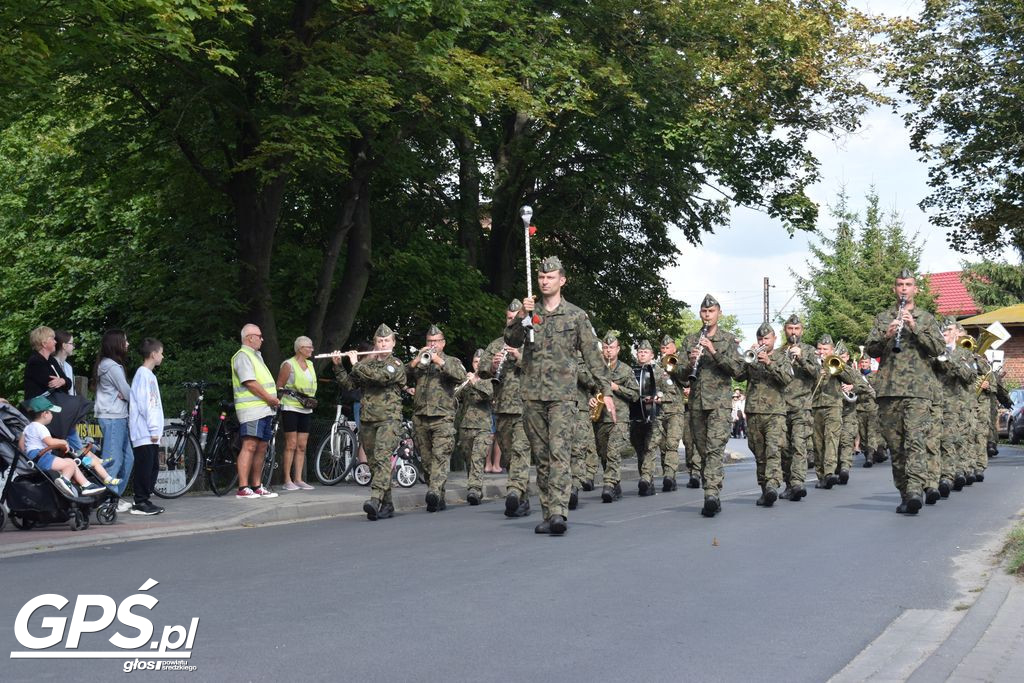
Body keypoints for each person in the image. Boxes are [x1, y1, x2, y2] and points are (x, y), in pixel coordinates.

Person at [506, 255, 613, 535]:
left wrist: (605, 389)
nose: (544, 281)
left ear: (562, 280)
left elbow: (592, 353)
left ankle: (558, 512)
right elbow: (511, 341)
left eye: (550, 277)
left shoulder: (576, 315)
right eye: (541, 277)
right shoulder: (530, 313)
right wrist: (521, 317)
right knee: (541, 457)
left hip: (563, 397)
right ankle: (546, 511)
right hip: (532, 394)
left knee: (559, 455)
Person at [865, 269, 945, 514]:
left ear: (915, 289)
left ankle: (914, 491)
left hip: (918, 391)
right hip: (889, 390)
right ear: (894, 288)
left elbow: (938, 348)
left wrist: (915, 327)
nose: (903, 289)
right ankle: (904, 492)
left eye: (908, 284)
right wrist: (887, 335)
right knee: (896, 445)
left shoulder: (926, 318)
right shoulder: (883, 317)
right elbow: (870, 350)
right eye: (900, 284)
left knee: (915, 441)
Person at [678, 294, 744, 517]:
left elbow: (738, 371)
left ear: (719, 313)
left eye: (712, 311)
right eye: (704, 312)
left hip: (719, 405)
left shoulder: (728, 339)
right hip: (696, 404)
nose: (707, 315)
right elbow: (678, 373)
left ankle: (711, 494)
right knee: (703, 451)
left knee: (715, 449)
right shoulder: (689, 340)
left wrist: (714, 353)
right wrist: (689, 361)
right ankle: (712, 487)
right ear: (700, 313)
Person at [333, 324, 407, 520]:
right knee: (374, 463)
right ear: (375, 344)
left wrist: (356, 363)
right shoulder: (367, 365)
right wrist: (338, 365)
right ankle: (388, 504)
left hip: (389, 419)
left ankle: (375, 499)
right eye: (379, 341)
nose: (383, 343)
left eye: (386, 341)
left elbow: (380, 378)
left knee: (382, 458)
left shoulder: (396, 364)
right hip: (368, 419)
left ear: (393, 343)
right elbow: (349, 385)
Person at [478, 300, 532, 517]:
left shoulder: (532, 342)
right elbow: (481, 370)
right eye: (509, 319)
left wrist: (519, 358)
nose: (512, 322)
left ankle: (513, 492)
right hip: (501, 408)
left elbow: (544, 369)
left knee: (520, 452)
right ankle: (522, 498)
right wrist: (492, 366)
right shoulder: (496, 344)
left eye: (516, 318)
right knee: (509, 456)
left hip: (525, 407)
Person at [407, 324, 466, 512]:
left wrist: (439, 360)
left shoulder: (451, 361)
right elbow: (402, 376)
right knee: (426, 460)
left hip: (443, 416)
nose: (432, 344)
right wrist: (417, 360)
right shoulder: (421, 362)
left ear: (443, 343)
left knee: (440, 457)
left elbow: (460, 376)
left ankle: (433, 491)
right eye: (429, 341)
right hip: (420, 416)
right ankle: (437, 496)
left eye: (436, 342)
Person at [736, 323, 792, 507]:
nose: (763, 342)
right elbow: (738, 376)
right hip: (753, 411)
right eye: (760, 339)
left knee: (773, 450)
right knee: (759, 453)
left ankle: (772, 485)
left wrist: (768, 363)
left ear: (774, 339)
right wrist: (746, 359)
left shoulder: (782, 357)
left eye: (766, 339)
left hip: (775, 412)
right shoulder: (752, 358)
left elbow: (786, 380)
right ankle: (764, 489)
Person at [20, 395, 113, 498]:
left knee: (71, 462)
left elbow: (21, 446)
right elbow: (50, 442)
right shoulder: (41, 427)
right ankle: (65, 480)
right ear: (45, 414)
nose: (52, 415)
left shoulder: (28, 427)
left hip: (34, 457)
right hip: (42, 456)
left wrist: (30, 454)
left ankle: (86, 485)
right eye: (50, 412)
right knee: (70, 465)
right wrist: (63, 442)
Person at [230, 324, 280, 500]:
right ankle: (243, 487)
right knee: (250, 445)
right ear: (249, 337)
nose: (262, 339)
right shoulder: (243, 356)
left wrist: (269, 402)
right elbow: (249, 382)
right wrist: (269, 398)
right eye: (259, 336)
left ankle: (256, 486)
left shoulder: (256, 356)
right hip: (252, 409)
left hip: (264, 408)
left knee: (261, 447)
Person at [591, 333, 639, 503]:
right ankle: (615, 483)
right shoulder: (596, 369)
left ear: (618, 349)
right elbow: (588, 389)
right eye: (605, 347)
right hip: (600, 418)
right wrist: (590, 398)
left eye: (611, 348)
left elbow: (635, 395)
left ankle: (609, 485)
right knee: (603, 454)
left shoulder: (626, 369)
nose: (608, 351)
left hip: (619, 419)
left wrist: (616, 387)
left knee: (613, 452)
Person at [93, 329, 136, 510]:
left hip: (118, 416)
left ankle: (114, 496)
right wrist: (126, 393)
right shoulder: (111, 367)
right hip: (112, 417)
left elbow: (125, 393)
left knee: (128, 459)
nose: (127, 344)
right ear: (116, 343)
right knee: (113, 460)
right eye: (125, 341)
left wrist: (125, 394)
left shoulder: (108, 365)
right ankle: (107, 501)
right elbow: (128, 393)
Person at [810, 335, 860, 489]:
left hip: (833, 405)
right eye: (819, 348)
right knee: (817, 443)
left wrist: (838, 366)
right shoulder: (811, 362)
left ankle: (829, 473)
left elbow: (852, 378)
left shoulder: (835, 362)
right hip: (815, 406)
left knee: (831, 439)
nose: (821, 351)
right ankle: (821, 475)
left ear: (831, 350)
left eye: (825, 349)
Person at [933, 318, 974, 495]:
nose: (945, 333)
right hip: (934, 403)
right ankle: (939, 475)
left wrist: (950, 360)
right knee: (935, 441)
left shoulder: (965, 354)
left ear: (957, 332)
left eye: (948, 330)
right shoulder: (933, 353)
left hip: (957, 405)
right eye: (942, 330)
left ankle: (950, 475)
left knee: (953, 440)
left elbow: (970, 376)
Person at [779, 315, 816, 502]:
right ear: (785, 330)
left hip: (802, 407)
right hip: (781, 407)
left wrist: (801, 358)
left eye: (797, 329)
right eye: (790, 329)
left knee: (799, 445)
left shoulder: (809, 351)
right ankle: (788, 484)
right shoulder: (778, 352)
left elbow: (817, 373)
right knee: (785, 450)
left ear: (802, 330)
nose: (793, 333)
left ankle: (798, 483)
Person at [128, 338, 165, 515]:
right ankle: (140, 501)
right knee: (144, 466)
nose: (162, 356)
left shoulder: (149, 375)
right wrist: (152, 428)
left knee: (152, 466)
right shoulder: (143, 375)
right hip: (144, 431)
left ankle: (145, 499)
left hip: (150, 432)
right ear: (153, 354)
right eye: (161, 353)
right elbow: (146, 405)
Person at [276, 336, 317, 491]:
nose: (312, 349)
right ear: (301, 348)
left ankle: (298, 479)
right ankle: (287, 479)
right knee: (291, 444)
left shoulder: (311, 365)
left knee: (302, 445)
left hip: (306, 407)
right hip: (291, 406)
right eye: (309, 347)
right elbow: (279, 386)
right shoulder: (288, 365)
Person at [456, 349, 494, 505]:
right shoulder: (466, 379)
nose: (477, 365)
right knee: (469, 459)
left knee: (478, 458)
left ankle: (474, 489)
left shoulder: (490, 380)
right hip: (465, 426)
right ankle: (474, 487)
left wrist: (475, 382)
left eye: (480, 362)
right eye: (475, 362)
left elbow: (489, 395)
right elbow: (456, 397)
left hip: (482, 426)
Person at [631, 340, 663, 496]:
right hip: (636, 416)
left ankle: (645, 478)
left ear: (652, 355)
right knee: (640, 450)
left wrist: (658, 397)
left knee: (650, 448)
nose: (642, 354)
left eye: (645, 352)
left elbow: (669, 392)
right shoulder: (631, 372)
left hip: (654, 415)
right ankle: (647, 481)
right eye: (640, 352)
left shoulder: (660, 372)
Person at [657, 335, 686, 491]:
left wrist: (673, 368)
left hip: (675, 409)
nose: (665, 350)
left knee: (672, 444)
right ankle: (667, 474)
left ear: (674, 348)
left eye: (667, 348)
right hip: (660, 409)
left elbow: (687, 381)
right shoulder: (657, 366)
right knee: (662, 446)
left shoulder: (680, 364)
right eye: (663, 348)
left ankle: (670, 475)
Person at [24, 325, 72, 400]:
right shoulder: (35, 362)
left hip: (55, 403)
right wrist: (63, 381)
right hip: (40, 407)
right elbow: (52, 386)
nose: (55, 342)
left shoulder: (51, 360)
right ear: (44, 343)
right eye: (52, 339)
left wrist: (62, 381)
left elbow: (69, 383)